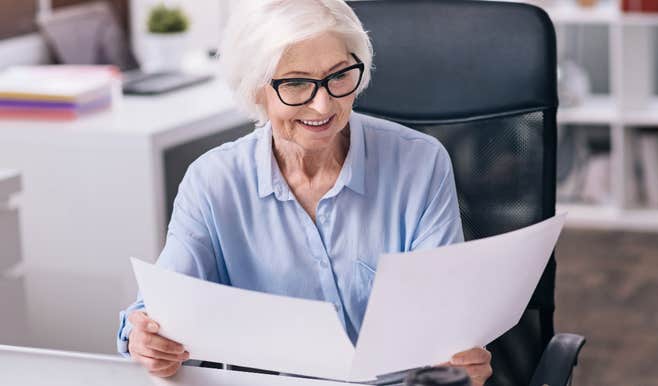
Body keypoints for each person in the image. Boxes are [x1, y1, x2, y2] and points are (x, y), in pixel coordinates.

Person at [116, 1, 492, 385]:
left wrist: (459, 362)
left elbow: (443, 320)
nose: (323, 104)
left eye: (339, 76)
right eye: (296, 82)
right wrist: (144, 338)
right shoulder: (213, 183)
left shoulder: (420, 164)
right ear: (256, 88)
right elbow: (161, 309)